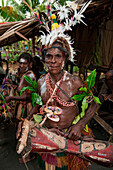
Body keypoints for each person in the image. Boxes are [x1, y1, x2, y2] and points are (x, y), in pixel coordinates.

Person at [5, 52, 36, 121]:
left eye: (24, 63)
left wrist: (11, 97)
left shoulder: (28, 76)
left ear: (30, 64)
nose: (21, 66)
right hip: (21, 107)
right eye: (20, 63)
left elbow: (28, 97)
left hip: (25, 110)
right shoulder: (25, 74)